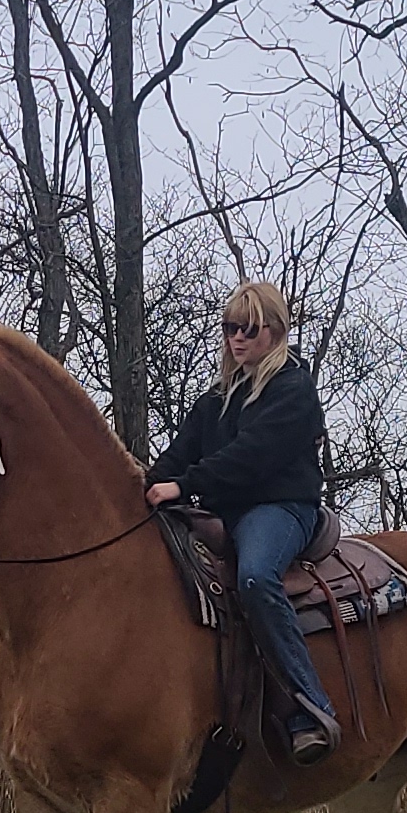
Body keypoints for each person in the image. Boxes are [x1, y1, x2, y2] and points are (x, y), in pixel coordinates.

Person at [144, 281, 337, 764]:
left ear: (275, 330)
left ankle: (310, 707)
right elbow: (179, 453)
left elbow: (252, 457)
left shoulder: (293, 389)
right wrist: (139, 487)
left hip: (280, 508)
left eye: (249, 328)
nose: (237, 338)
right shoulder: (217, 399)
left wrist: (184, 486)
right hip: (224, 512)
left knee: (255, 576)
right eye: (231, 327)